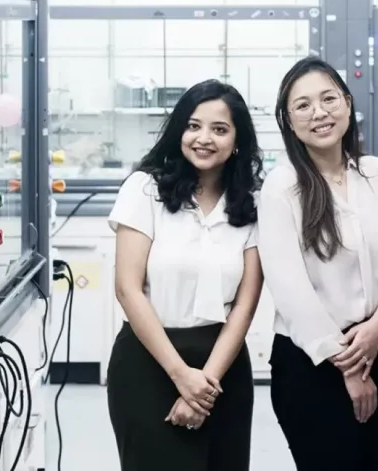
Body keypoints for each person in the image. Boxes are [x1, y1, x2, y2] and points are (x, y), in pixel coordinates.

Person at [257, 56, 378, 471]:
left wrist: (377, 327)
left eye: (329, 98)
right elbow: (290, 290)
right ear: (288, 121)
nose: (320, 113)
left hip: (374, 350)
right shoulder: (282, 187)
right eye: (304, 105)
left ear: (347, 103)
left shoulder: (377, 174)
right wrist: (348, 367)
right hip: (310, 365)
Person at [106, 79, 264, 471]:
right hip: (148, 362)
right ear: (179, 131)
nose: (203, 138)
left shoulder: (252, 203)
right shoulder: (144, 190)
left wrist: (204, 386)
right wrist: (181, 377)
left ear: (238, 139)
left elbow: (245, 305)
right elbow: (128, 290)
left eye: (220, 129)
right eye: (193, 126)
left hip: (222, 367)